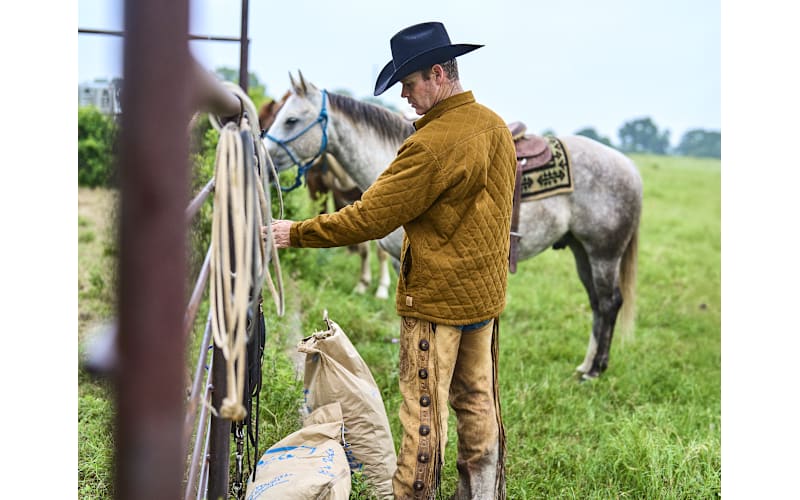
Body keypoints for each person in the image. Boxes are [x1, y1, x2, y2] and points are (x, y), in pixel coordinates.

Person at [267, 21, 516, 500]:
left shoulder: (428, 145)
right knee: (479, 403)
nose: (403, 96)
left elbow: (369, 218)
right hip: (484, 300)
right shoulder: (496, 127)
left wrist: (294, 232)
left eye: (409, 83)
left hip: (435, 305)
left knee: (423, 421)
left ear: (438, 74)